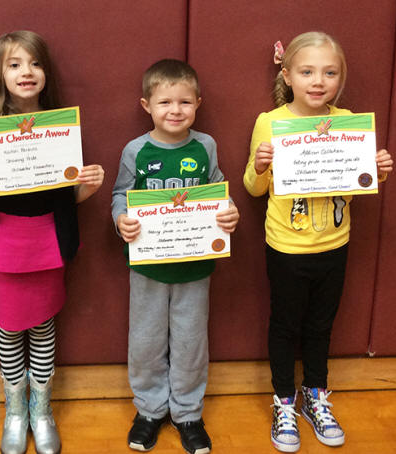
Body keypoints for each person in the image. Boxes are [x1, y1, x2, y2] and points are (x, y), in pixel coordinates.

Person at [243, 32, 394, 452]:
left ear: (340, 80)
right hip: (287, 247)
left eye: (329, 73)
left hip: (335, 243)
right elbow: (253, 189)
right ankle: (284, 400)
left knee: (320, 325)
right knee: (285, 325)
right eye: (307, 71)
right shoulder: (269, 122)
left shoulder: (347, 122)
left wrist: (377, 171)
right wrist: (259, 166)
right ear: (287, 75)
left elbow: (358, 182)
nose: (318, 80)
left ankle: (315, 394)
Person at [0, 30, 104, 454]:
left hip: (48, 239)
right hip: (3, 241)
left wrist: (89, 187)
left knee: (42, 325)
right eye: (15, 64)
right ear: (0, 75)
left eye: (35, 63)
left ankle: (41, 409)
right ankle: (15, 410)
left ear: (46, 73)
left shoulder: (60, 128)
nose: (26, 72)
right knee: (8, 327)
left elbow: (68, 195)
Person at [111, 59, 240, 454]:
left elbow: (218, 189)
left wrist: (229, 210)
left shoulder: (206, 146)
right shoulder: (136, 149)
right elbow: (120, 195)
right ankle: (150, 410)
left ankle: (187, 413)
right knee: (146, 341)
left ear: (198, 103)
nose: (175, 109)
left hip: (195, 268)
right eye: (165, 101)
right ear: (146, 104)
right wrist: (121, 220)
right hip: (148, 267)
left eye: (185, 101)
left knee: (190, 341)